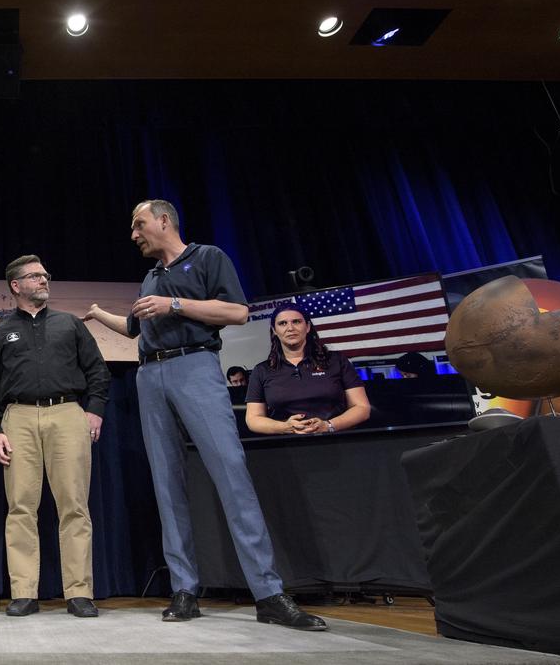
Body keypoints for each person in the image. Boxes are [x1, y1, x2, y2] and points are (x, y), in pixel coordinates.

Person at [84, 199, 326, 630]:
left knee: (231, 474)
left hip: (195, 366)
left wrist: (175, 305)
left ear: (164, 221)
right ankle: (184, 589)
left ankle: (268, 593)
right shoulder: (150, 278)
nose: (134, 234)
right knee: (166, 483)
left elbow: (238, 312)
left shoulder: (208, 257)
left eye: (139, 224)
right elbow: (135, 329)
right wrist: (100, 315)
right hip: (149, 374)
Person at [0, 255, 110, 619]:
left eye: (44, 275)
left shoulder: (69, 324)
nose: (43, 280)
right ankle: (24, 592)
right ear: (16, 285)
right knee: (21, 507)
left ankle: (79, 592)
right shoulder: (2, 331)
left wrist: (94, 409)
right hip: (18, 417)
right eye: (35, 276)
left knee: (74, 506)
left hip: (67, 413)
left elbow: (97, 371)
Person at [244, 304, 371, 435]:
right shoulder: (261, 370)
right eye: (282, 323)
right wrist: (285, 427)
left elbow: (362, 407)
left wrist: (328, 426)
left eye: (296, 322)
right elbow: (253, 419)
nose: (290, 328)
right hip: (286, 445)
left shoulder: (337, 360)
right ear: (274, 330)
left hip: (336, 440)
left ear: (308, 326)